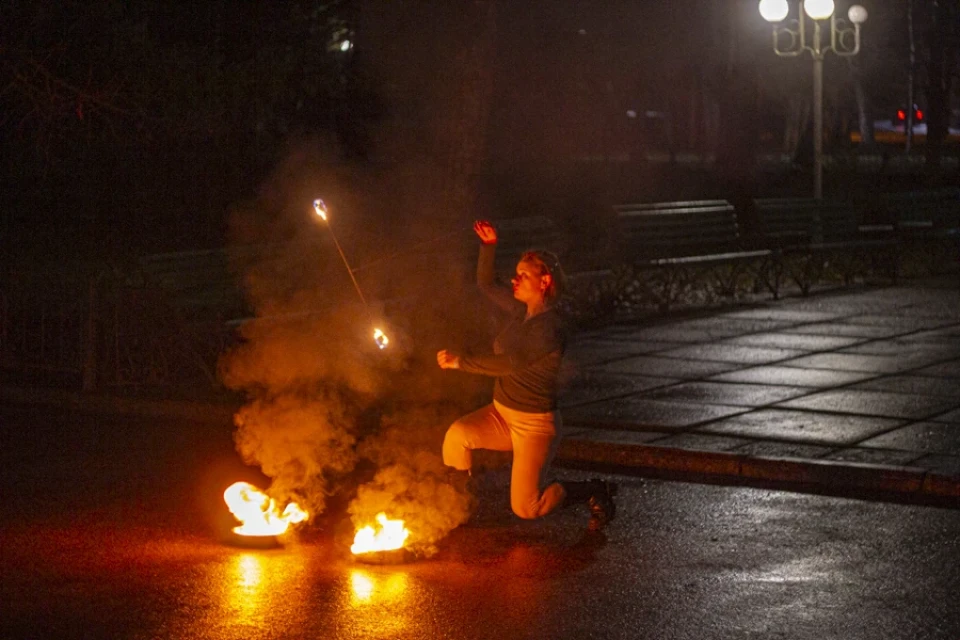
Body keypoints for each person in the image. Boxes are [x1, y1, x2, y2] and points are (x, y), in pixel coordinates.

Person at [437, 220, 617, 531]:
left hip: (535, 426)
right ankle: (452, 507)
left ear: (544, 281)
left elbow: (512, 363)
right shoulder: (521, 312)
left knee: (527, 508)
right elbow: (486, 285)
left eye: (523, 275)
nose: (514, 279)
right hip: (501, 414)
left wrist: (461, 363)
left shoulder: (551, 326)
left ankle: (592, 489)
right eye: (516, 274)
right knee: (456, 436)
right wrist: (488, 246)